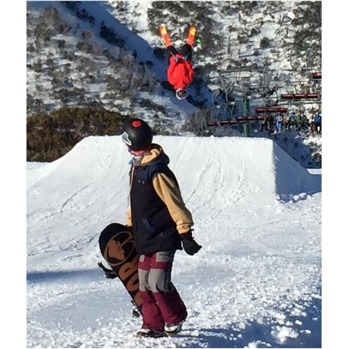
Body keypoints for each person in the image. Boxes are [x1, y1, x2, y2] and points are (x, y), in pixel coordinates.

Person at [120, 118, 202, 338]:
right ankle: (152, 324)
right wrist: (130, 227)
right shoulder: (136, 168)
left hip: (163, 235)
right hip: (144, 236)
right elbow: (135, 203)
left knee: (157, 282)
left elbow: (175, 203)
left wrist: (185, 232)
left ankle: (175, 318)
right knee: (144, 283)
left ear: (133, 143)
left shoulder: (157, 172)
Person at [160, 25, 196, 100]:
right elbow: (190, 70)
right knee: (188, 47)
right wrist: (187, 61)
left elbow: (170, 70)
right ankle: (192, 31)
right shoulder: (188, 81)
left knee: (169, 47)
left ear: (177, 92)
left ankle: (163, 32)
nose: (182, 92)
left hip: (175, 60)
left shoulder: (172, 81)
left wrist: (174, 62)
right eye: (183, 93)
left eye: (180, 94)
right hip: (184, 60)